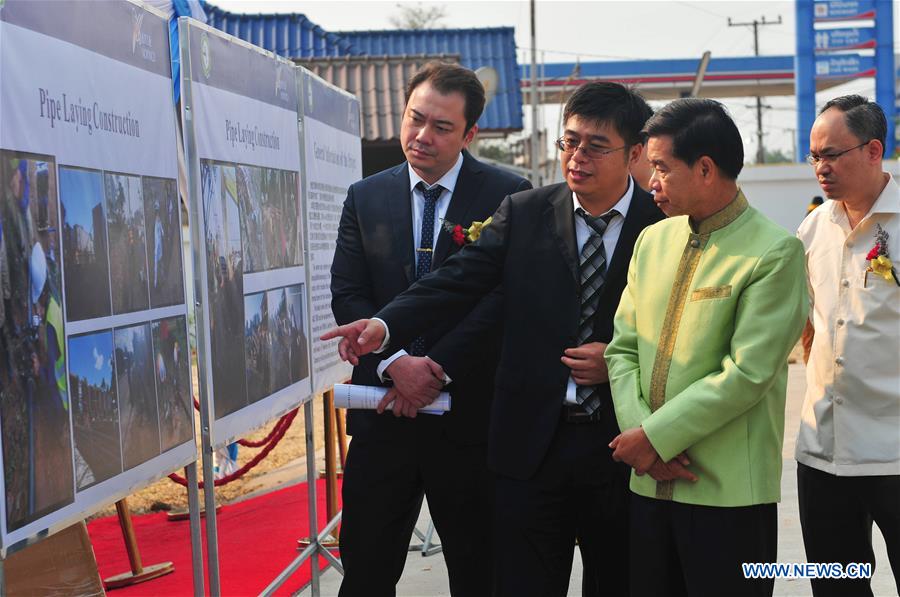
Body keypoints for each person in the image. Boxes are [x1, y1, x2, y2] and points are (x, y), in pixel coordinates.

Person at [326, 81, 662, 596]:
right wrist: (385, 328)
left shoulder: (663, 225)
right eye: (568, 142)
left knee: (618, 580)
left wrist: (621, 359)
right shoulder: (528, 212)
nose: (577, 158)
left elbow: (683, 332)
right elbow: (458, 279)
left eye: (595, 146)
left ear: (634, 152)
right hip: (530, 449)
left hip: (617, 446)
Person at [329, 61, 531, 596]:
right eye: (415, 119)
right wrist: (396, 366)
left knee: (480, 570)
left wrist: (436, 371)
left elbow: (503, 298)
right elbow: (349, 294)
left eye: (442, 127)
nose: (422, 136)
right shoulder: (365, 196)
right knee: (367, 571)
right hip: (383, 418)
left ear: (470, 134)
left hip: (470, 421)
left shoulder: (510, 195)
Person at [603, 98, 808, 596]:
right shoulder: (653, 241)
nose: (651, 182)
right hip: (648, 483)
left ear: (706, 168)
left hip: (727, 493)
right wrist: (641, 438)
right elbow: (622, 349)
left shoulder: (773, 251)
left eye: (660, 168)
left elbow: (747, 373)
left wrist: (653, 438)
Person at [795, 95, 900, 597]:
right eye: (815, 155)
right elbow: (806, 325)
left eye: (833, 154)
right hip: (824, 454)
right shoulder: (813, 229)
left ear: (874, 149)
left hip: (895, 455)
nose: (821, 167)